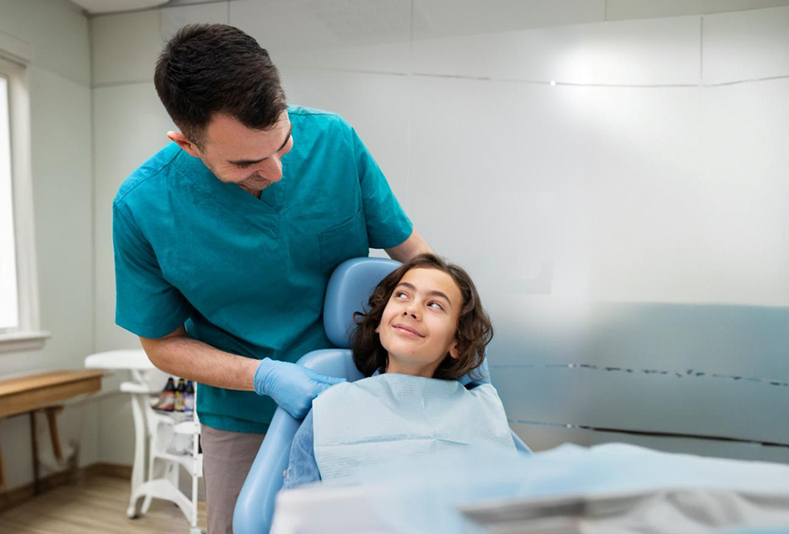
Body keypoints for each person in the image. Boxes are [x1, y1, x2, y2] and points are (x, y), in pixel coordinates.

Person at [112, 23, 431, 533]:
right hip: (242, 417)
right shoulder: (143, 207)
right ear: (187, 145)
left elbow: (414, 254)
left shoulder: (335, 143)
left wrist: (456, 325)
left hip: (361, 396)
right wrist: (264, 376)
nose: (276, 171)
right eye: (246, 163)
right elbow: (162, 345)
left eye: (281, 146)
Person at [284, 254, 516, 488]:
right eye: (402, 295)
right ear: (379, 320)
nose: (411, 310)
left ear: (457, 343)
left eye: (435, 304)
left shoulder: (482, 414)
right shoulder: (330, 411)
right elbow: (296, 518)